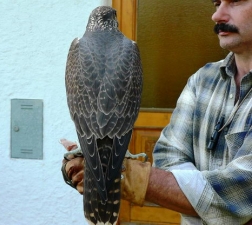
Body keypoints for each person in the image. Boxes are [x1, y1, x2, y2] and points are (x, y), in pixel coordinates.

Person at [61, 0, 252, 224]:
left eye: (236, 1)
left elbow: (243, 188)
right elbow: (167, 155)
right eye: (217, 3)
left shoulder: (127, 51)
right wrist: (105, 165)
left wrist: (125, 176)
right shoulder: (202, 80)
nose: (217, 15)